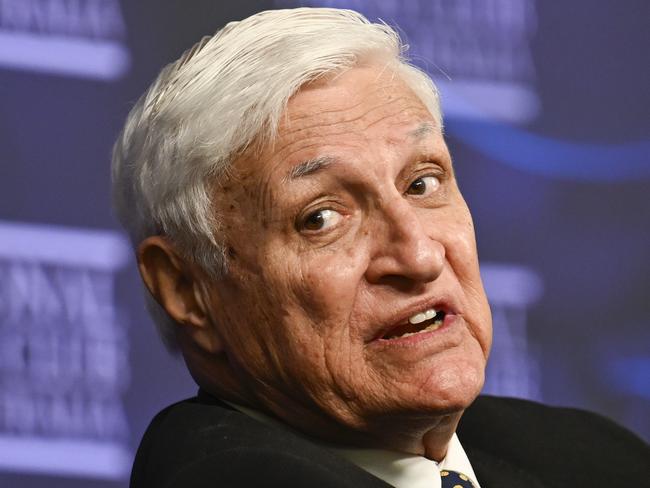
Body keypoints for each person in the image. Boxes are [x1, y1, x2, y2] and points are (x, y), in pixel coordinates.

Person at [111, 8, 649, 488]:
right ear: (186, 288)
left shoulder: (592, 455)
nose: (419, 256)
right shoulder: (232, 475)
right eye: (320, 218)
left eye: (422, 184)